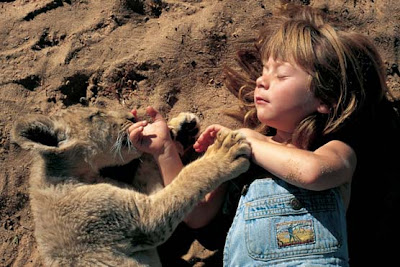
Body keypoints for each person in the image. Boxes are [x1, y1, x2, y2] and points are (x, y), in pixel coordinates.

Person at [128, 4, 400, 266]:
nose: (261, 80)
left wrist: (248, 141)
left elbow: (312, 173)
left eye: (281, 76)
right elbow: (197, 215)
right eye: (263, 71)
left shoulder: (336, 150)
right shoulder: (240, 153)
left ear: (324, 98)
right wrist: (165, 150)